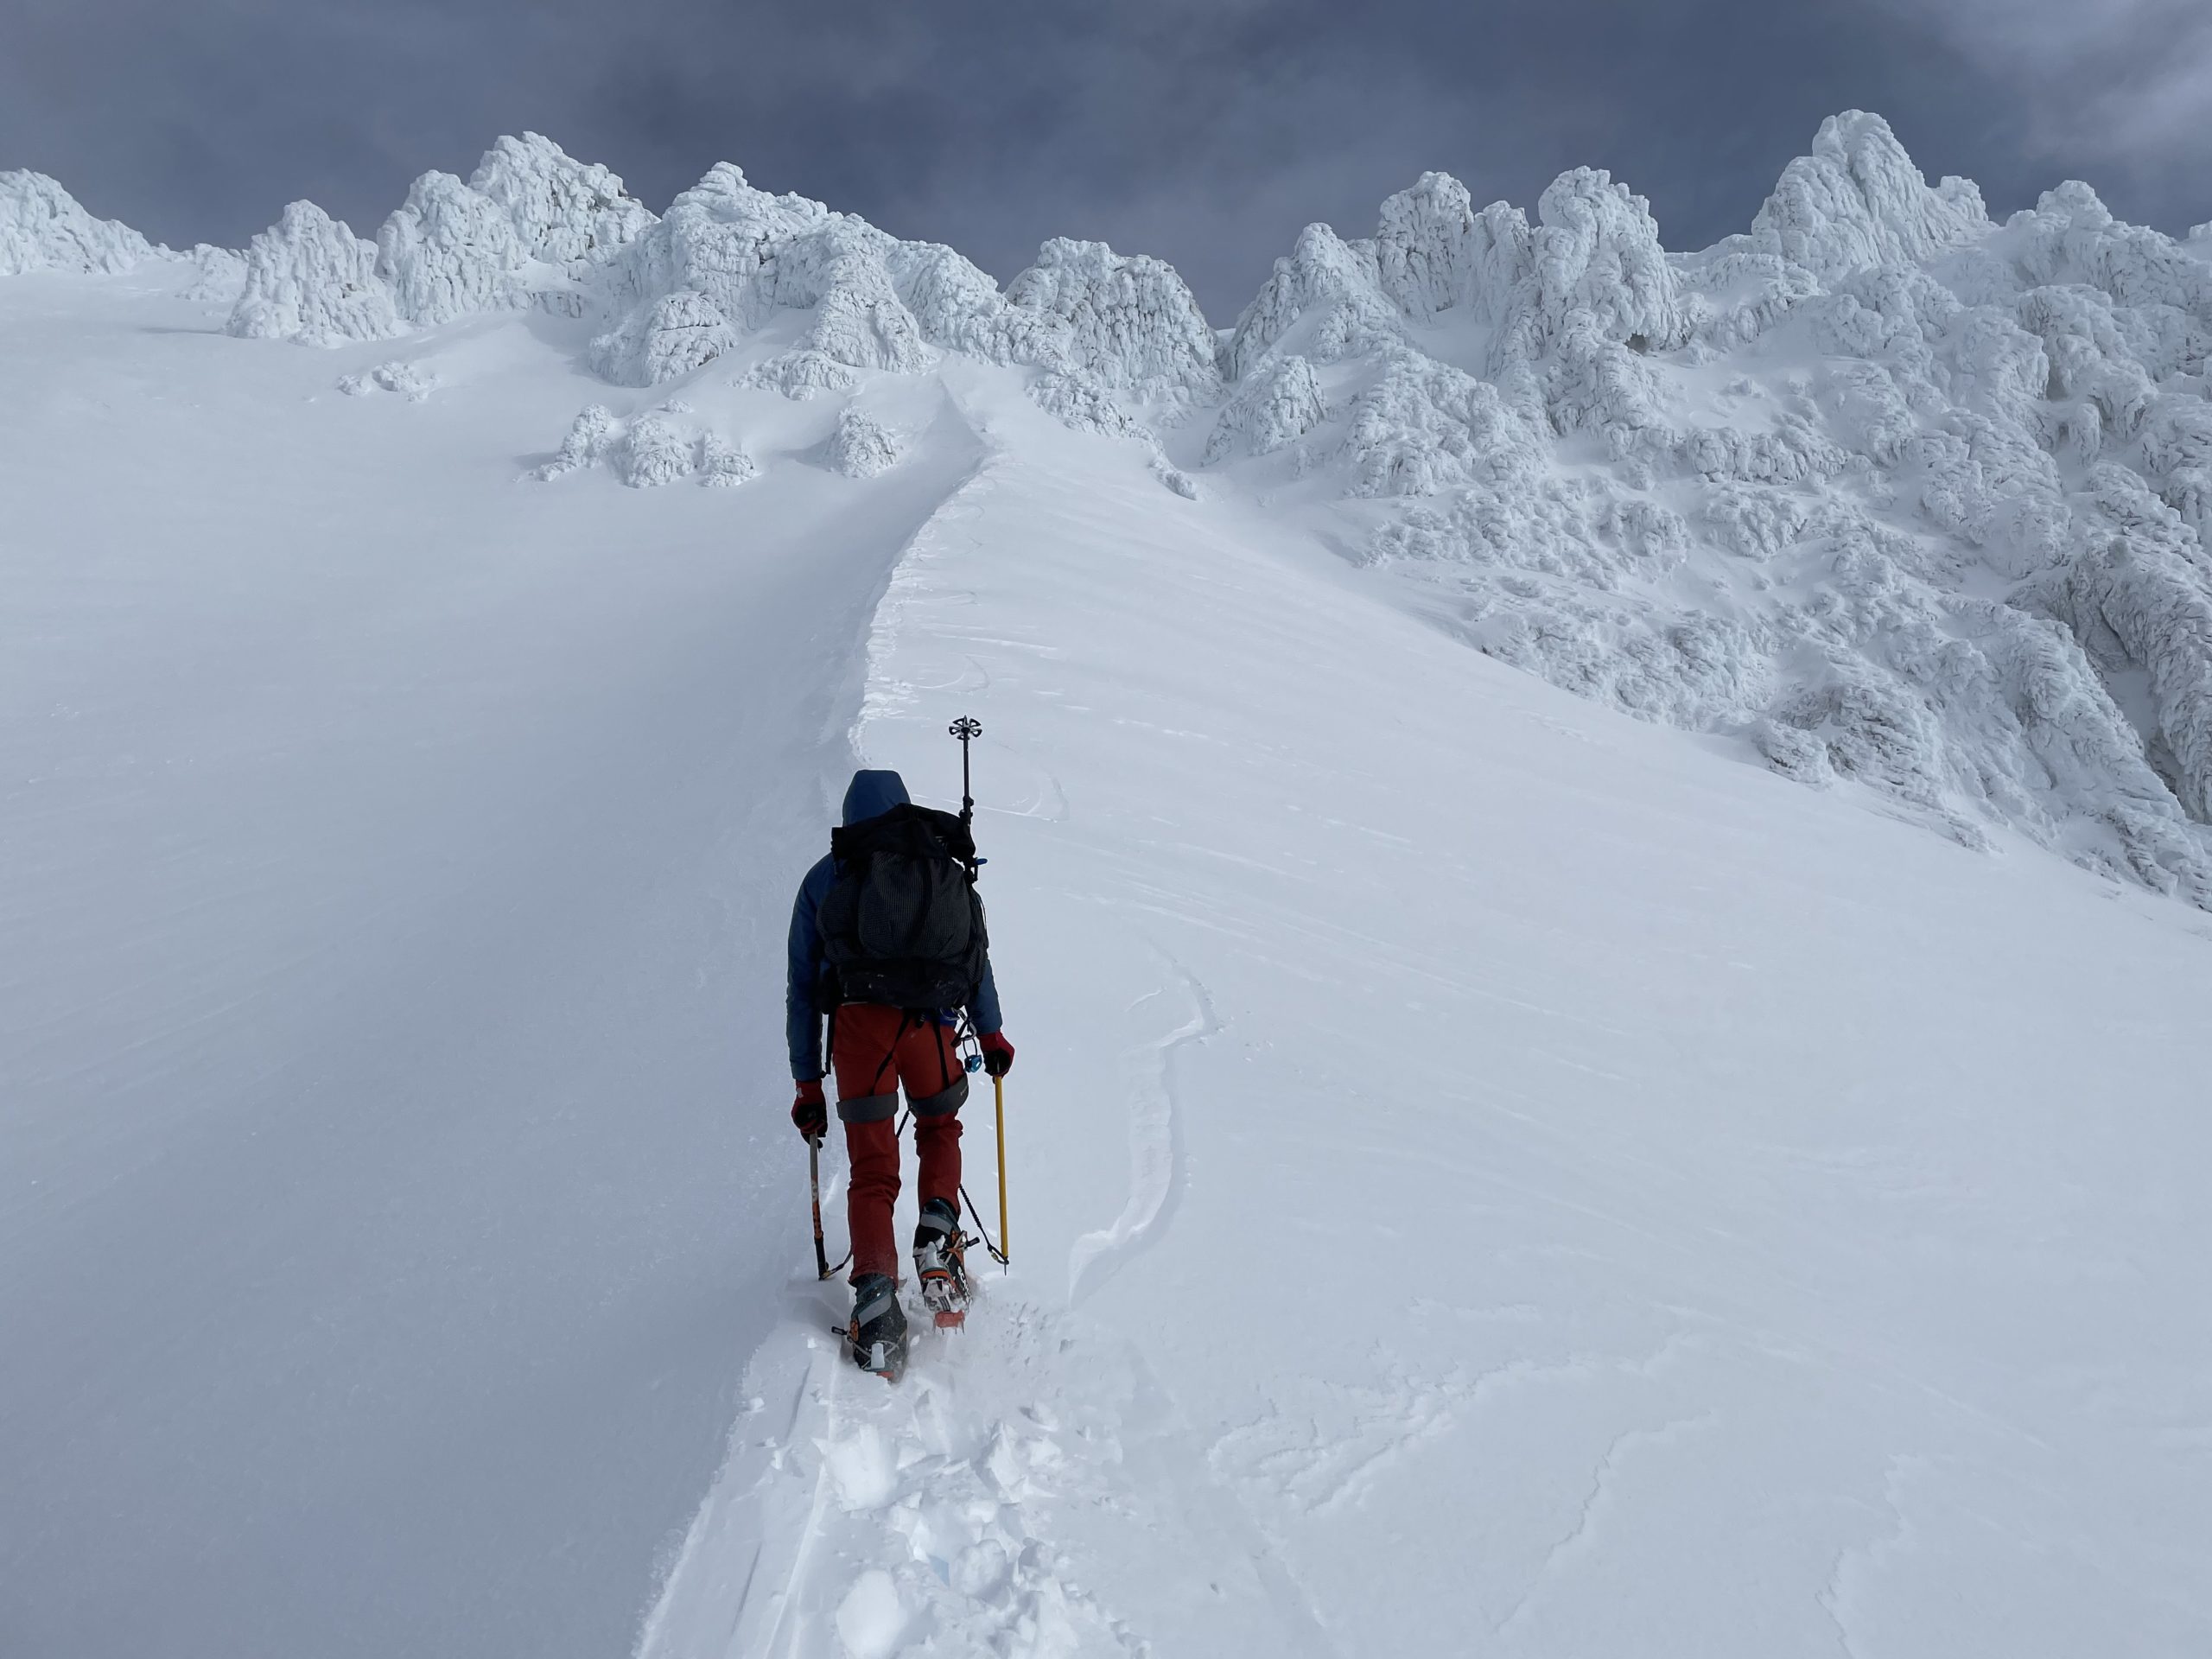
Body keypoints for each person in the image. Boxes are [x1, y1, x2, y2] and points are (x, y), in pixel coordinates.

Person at [786, 768, 1014, 1376]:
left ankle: (878, 1302)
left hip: (862, 1034)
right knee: (939, 1129)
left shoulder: (825, 878)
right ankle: (938, 1231)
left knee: (871, 1169)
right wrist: (989, 1032)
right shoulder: (936, 866)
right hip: (931, 1027)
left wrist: (808, 1082)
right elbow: (975, 956)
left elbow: (803, 991)